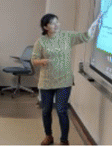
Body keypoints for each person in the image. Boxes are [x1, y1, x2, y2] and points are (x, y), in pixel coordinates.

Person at [31, 12, 102, 145]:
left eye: (57, 22)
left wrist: (95, 24)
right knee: (46, 110)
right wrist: (42, 61)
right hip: (46, 81)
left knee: (61, 110)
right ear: (46, 27)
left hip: (64, 80)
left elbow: (85, 37)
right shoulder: (40, 42)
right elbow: (34, 60)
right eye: (53, 23)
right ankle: (48, 136)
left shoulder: (67, 36)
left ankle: (64, 140)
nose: (57, 25)